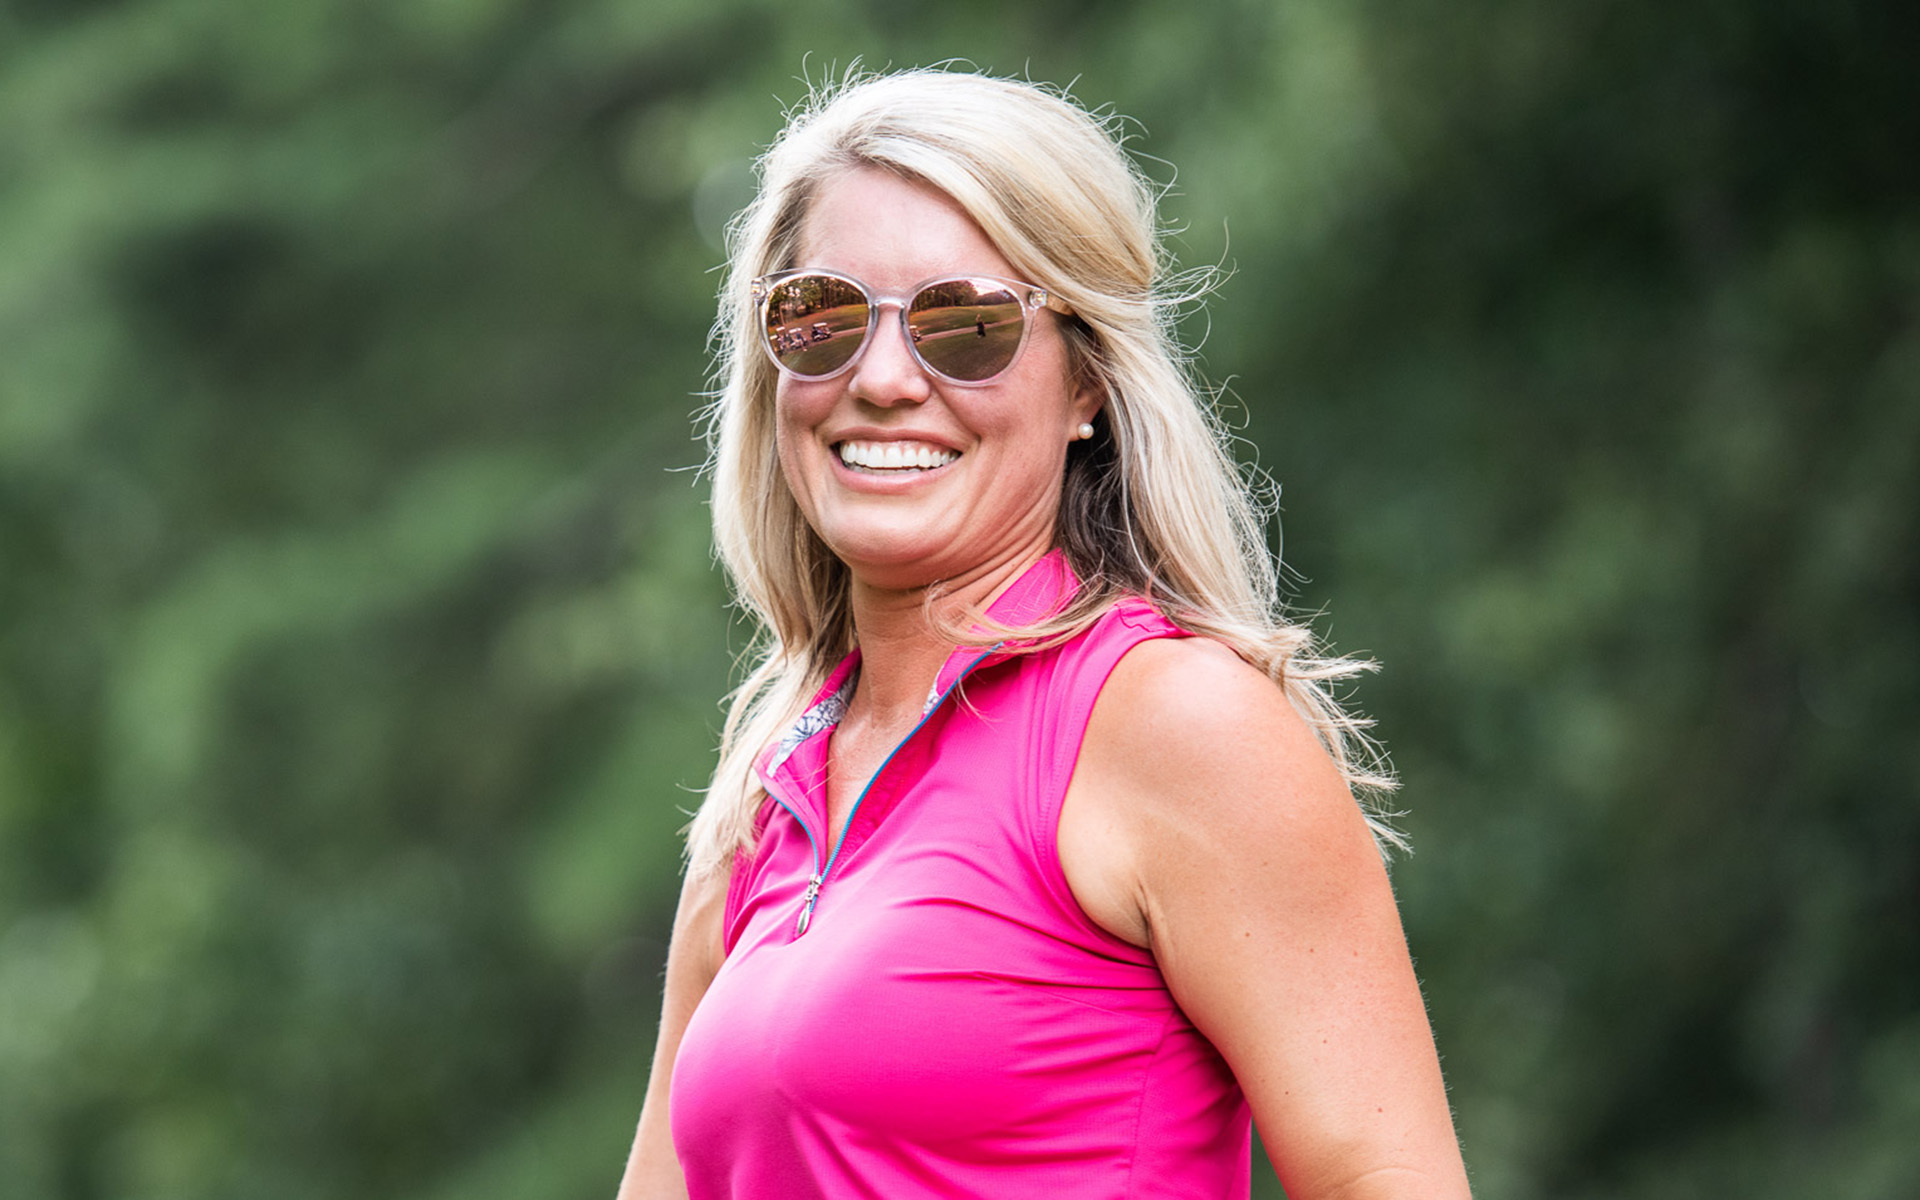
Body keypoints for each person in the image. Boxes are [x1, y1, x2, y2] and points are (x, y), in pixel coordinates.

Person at [617, 69, 1471, 1199]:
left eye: (965, 324)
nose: (882, 379)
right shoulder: (764, 798)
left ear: (1087, 386)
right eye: (820, 318)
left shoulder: (1176, 723)